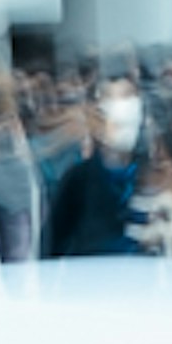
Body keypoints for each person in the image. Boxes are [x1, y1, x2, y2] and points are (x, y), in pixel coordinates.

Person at [42, 80, 152, 261]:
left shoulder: (150, 175)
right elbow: (56, 242)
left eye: (127, 96)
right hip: (91, 280)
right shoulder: (78, 180)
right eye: (115, 122)